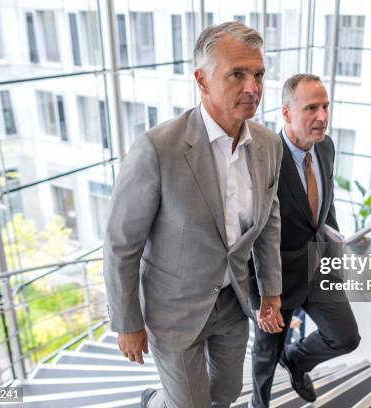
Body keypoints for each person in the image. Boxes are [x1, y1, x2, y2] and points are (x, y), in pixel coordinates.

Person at [103, 22, 285, 408]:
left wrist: (271, 290)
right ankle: (155, 402)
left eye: (258, 74)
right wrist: (128, 322)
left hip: (233, 302)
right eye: (237, 74)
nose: (252, 87)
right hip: (174, 307)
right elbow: (122, 245)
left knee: (227, 393)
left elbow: (269, 221)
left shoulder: (269, 145)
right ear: (202, 80)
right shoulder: (157, 149)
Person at [249, 74, 361, 407]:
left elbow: (327, 203)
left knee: (346, 337)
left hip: (317, 267)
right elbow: (251, 233)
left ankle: (297, 361)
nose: (322, 116)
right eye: (311, 108)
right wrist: (259, 299)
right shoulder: (265, 159)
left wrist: (333, 256)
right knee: (265, 358)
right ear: (286, 113)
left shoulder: (325, 147)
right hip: (276, 280)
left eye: (325, 106)